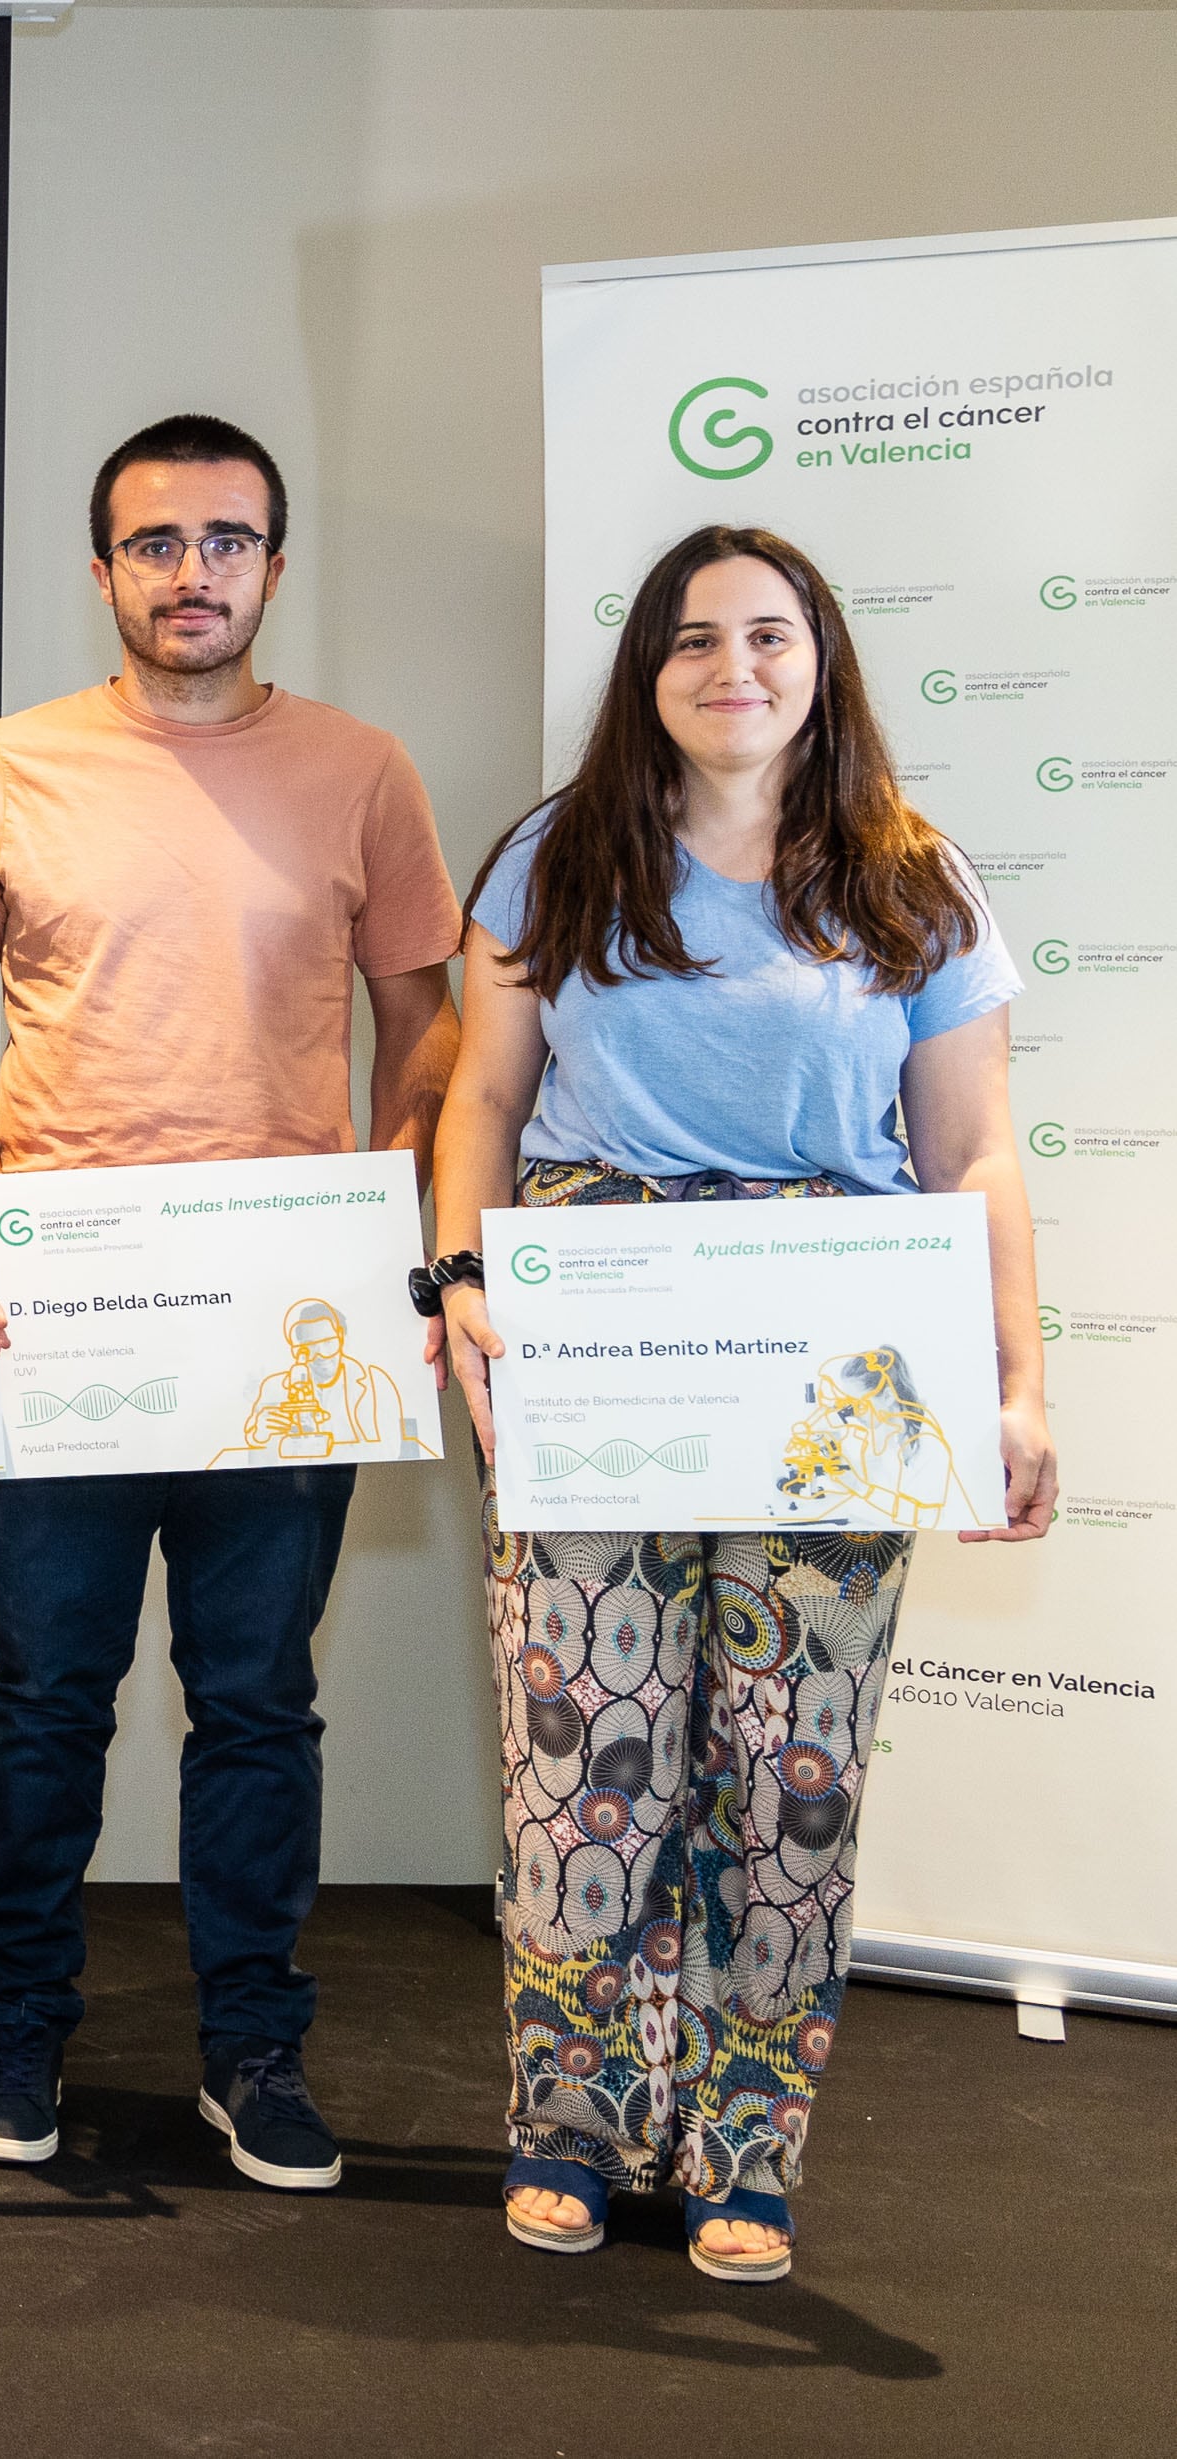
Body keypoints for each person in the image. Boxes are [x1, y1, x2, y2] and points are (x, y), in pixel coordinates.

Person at [431, 523, 1053, 2283]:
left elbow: (973, 1151)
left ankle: (743, 2141)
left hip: (833, 1355)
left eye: (768, 637)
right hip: (595, 1335)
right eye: (692, 640)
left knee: (784, 1767)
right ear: (644, 672)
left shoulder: (910, 881)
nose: (733, 669)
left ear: (820, 662)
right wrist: (460, 1282)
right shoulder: (553, 860)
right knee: (584, 1758)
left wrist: (1013, 1383)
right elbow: (480, 1102)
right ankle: (572, 2115)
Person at [0, 414, 462, 2193]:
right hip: (66, 1315)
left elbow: (428, 1022)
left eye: (224, 541)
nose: (190, 572)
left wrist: (383, 1216)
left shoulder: (362, 770)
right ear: (102, 573)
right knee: (44, 1696)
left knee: (255, 1705)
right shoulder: (6, 768)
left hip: (281, 1326)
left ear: (273, 568)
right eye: (154, 544)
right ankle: (18, 2038)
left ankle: (252, 2049)